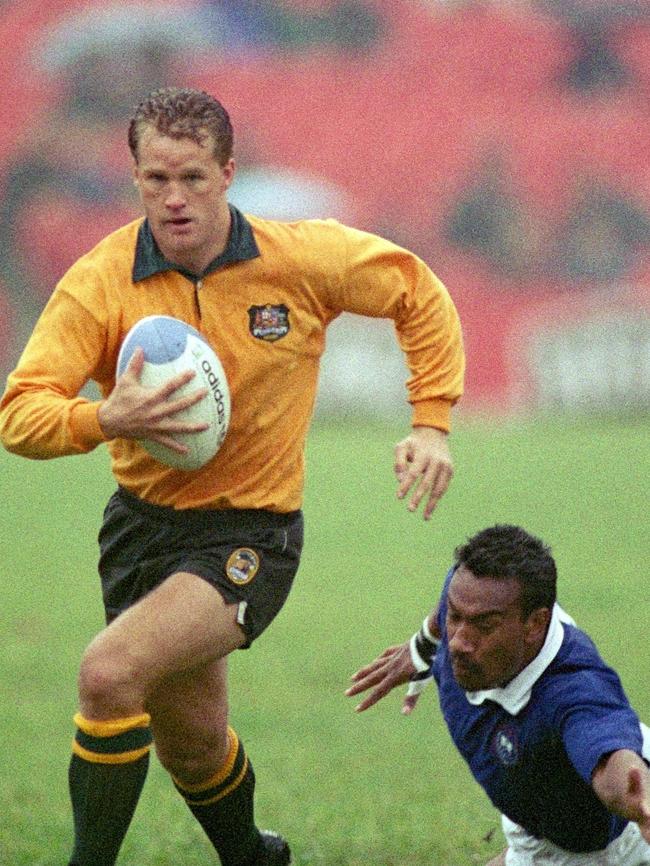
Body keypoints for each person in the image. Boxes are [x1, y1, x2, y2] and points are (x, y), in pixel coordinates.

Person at [0, 86, 464, 866]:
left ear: (228, 174)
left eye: (192, 178)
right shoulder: (101, 280)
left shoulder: (302, 258)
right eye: (155, 181)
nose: (174, 199)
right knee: (191, 742)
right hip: (141, 527)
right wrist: (103, 419)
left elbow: (417, 291)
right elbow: (19, 414)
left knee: (108, 674)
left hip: (251, 535)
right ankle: (252, 855)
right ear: (136, 178)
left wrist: (432, 422)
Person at [347, 524, 650, 865]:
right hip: (535, 830)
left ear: (535, 624)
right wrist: (422, 645)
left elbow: (608, 756)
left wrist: (636, 799)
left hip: (609, 848)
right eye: (455, 616)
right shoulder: (471, 596)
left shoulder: (573, 688)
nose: (459, 641)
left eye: (484, 625)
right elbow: (452, 597)